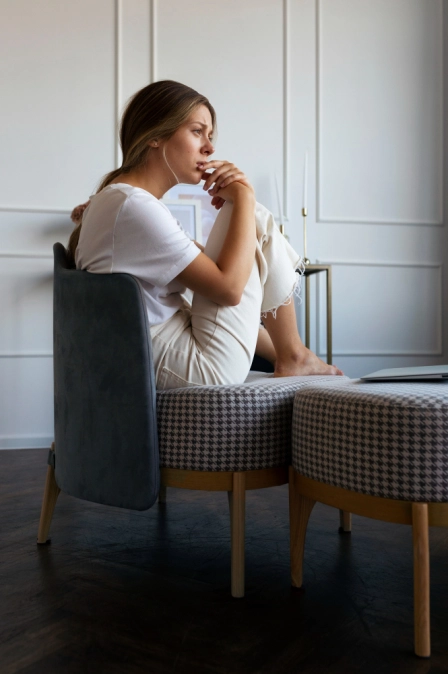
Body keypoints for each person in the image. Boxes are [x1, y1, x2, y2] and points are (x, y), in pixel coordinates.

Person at [68, 80, 342, 389]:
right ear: (154, 135)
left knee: (247, 225)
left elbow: (223, 280)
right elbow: (229, 290)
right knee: (253, 215)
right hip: (194, 366)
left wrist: (241, 205)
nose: (209, 148)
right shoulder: (133, 206)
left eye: (210, 136)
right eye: (197, 131)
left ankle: (293, 355)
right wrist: (244, 197)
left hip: (165, 350)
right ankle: (295, 356)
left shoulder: (126, 202)